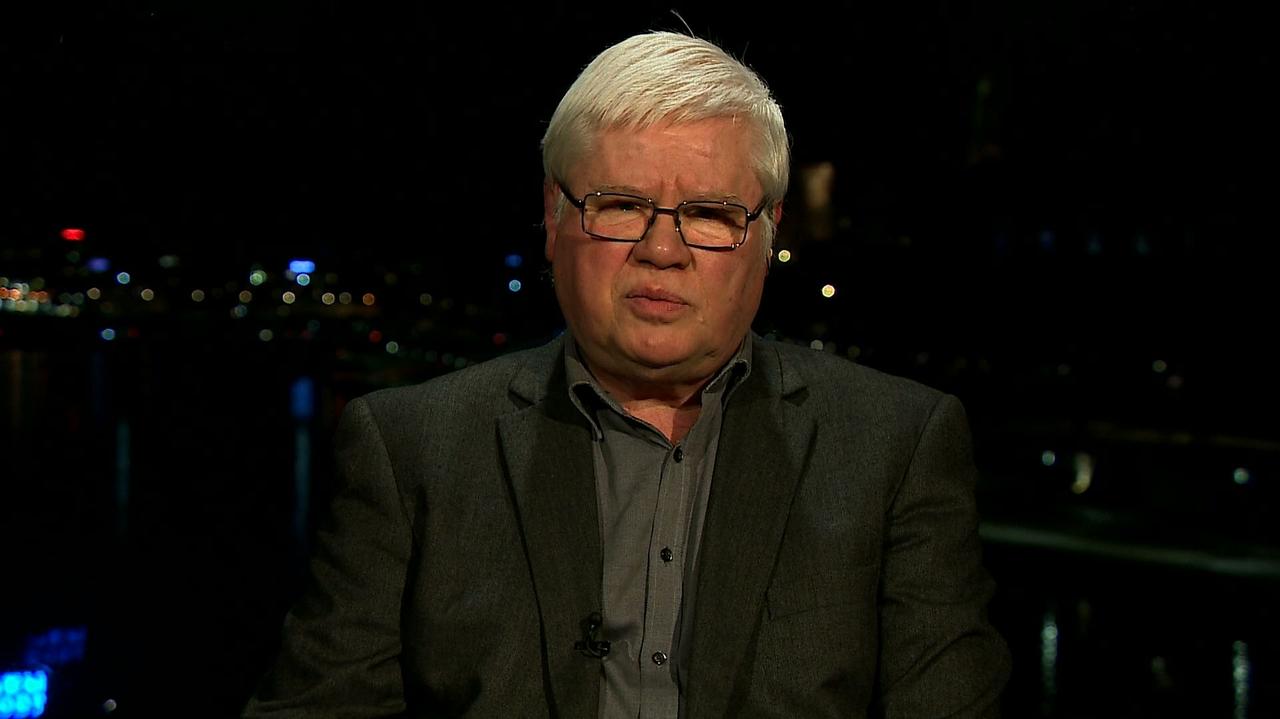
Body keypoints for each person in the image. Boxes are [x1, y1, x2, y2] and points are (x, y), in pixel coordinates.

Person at [244, 30, 1009, 718]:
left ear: (766, 232)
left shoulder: (897, 446)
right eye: (620, 206)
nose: (662, 251)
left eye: (709, 214)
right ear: (555, 217)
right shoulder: (410, 446)